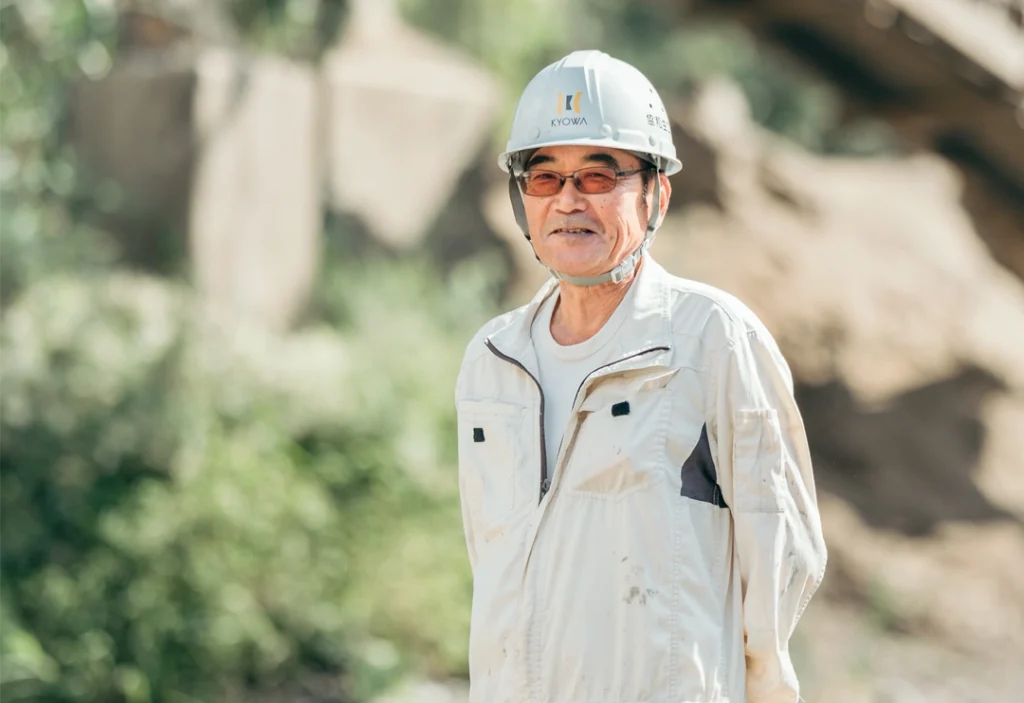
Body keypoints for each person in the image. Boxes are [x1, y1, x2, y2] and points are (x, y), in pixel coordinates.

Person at [454, 49, 827, 703]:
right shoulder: (492, 360)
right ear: (522, 201)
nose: (568, 199)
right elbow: (491, 563)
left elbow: (781, 546)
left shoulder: (711, 338)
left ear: (657, 194)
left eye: (598, 176)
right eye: (545, 178)